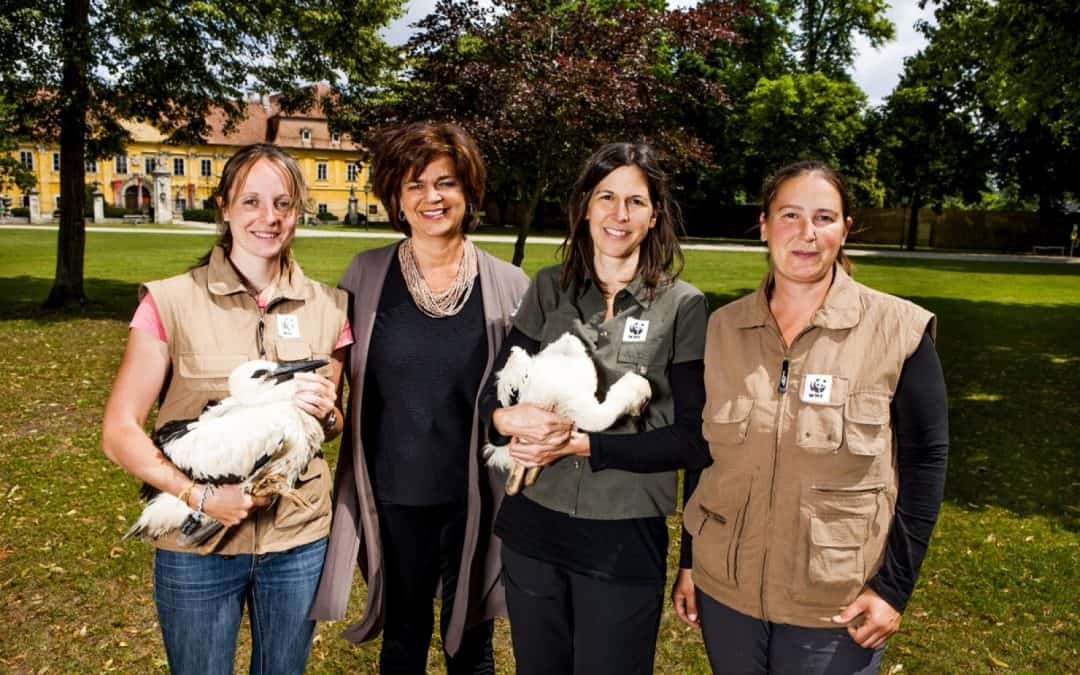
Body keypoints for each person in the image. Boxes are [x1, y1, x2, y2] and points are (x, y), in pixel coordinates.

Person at [671, 160, 949, 674]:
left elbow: (927, 462)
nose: (806, 233)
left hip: (835, 605)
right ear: (763, 225)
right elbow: (705, 454)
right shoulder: (722, 329)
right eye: (790, 215)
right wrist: (690, 560)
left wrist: (893, 588)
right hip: (725, 592)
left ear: (845, 230)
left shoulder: (899, 331)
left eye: (824, 218)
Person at [101, 143, 349, 674]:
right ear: (225, 207)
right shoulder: (169, 301)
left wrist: (329, 414)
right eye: (251, 201)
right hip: (197, 548)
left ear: (298, 211)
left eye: (283, 203)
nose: (268, 217)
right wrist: (202, 497)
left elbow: (333, 424)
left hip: (298, 541)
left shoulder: (331, 307)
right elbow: (119, 431)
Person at [483, 142, 711, 675]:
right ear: (585, 205)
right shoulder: (549, 287)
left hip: (622, 536)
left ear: (654, 215)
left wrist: (582, 444)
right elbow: (494, 394)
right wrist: (503, 420)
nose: (619, 214)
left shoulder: (684, 306)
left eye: (636, 201)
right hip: (533, 526)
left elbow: (694, 439)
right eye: (606, 197)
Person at [310, 122, 529, 675]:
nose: (432, 197)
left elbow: (527, 397)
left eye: (446, 182)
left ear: (468, 192)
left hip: (476, 495)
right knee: (403, 637)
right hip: (394, 492)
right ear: (396, 198)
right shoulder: (365, 275)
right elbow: (331, 385)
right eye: (415, 184)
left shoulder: (509, 284)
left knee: (471, 646)